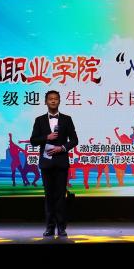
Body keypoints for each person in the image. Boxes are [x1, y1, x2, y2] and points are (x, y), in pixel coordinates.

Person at [29, 90, 78, 237]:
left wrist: (62, 148)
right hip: (46, 163)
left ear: (59, 101)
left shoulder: (67, 119)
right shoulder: (39, 120)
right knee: (49, 196)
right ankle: (49, 227)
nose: (53, 101)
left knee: (60, 196)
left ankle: (61, 227)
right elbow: (33, 140)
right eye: (50, 99)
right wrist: (46, 137)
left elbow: (74, 140)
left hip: (61, 162)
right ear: (46, 101)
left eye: (56, 98)